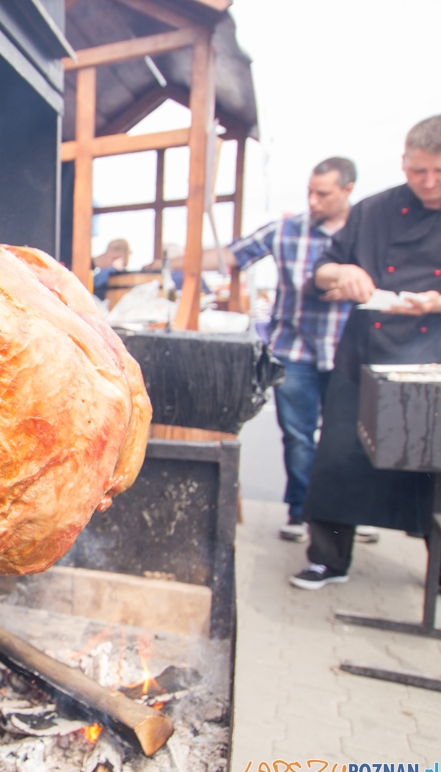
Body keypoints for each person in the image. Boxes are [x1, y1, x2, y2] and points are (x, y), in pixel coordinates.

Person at [289, 115, 441, 589]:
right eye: (419, 171)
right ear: (403, 162)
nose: (429, 182)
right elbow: (319, 271)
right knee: (338, 459)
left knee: (433, 466)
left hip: (430, 357)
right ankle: (328, 559)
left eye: (438, 172)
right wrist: (342, 273)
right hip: (364, 353)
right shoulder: (373, 211)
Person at [175, 158, 358, 542]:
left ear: (347, 190)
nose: (313, 200)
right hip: (295, 351)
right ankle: (300, 511)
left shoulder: (364, 231)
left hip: (347, 352)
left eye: (322, 193)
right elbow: (232, 254)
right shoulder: (287, 231)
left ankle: (346, 515)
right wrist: (177, 261)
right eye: (310, 190)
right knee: (298, 436)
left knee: (345, 440)